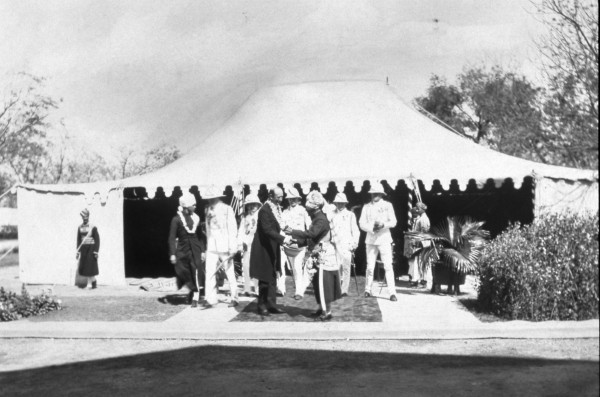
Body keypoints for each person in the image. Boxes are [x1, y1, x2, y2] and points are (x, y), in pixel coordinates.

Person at [286, 190, 341, 321]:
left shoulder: (320, 219)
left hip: (324, 254)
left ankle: (327, 311)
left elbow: (311, 234)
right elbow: (311, 237)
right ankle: (320, 308)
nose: (307, 209)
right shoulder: (317, 217)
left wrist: (292, 231)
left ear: (314, 207)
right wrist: (296, 241)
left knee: (323, 283)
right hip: (318, 253)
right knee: (317, 283)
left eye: (308, 206)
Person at [250, 187, 291, 316]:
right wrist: (283, 239)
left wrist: (290, 231)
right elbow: (267, 230)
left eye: (282, 196)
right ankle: (261, 305)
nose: (281, 199)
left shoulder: (276, 208)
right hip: (263, 247)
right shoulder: (264, 210)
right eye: (278, 197)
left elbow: (279, 225)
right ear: (271, 196)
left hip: (273, 245)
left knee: (273, 275)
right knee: (264, 276)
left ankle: (272, 304)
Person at [358, 182, 398, 301]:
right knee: (370, 266)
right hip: (370, 239)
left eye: (377, 193)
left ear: (381, 194)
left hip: (384, 238)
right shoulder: (366, 206)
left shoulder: (388, 205)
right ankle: (367, 289)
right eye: (372, 193)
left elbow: (394, 221)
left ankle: (392, 292)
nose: (374, 195)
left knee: (388, 266)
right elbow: (361, 223)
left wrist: (383, 225)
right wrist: (371, 228)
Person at [203, 186, 239, 308]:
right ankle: (210, 299)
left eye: (211, 197)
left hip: (225, 245)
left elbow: (233, 228)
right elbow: (208, 229)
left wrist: (233, 246)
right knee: (209, 271)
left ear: (217, 197)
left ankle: (234, 297)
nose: (209, 200)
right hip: (211, 245)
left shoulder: (227, 209)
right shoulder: (207, 209)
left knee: (229, 271)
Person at [168, 192, 206, 307]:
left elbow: (200, 236)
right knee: (182, 271)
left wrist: (203, 250)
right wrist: (173, 253)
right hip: (182, 248)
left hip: (195, 248)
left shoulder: (196, 218)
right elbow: (171, 237)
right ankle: (192, 290)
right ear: (186, 206)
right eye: (193, 205)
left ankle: (195, 296)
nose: (195, 206)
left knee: (196, 270)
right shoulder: (176, 219)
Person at [280, 187, 311, 300]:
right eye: (290, 199)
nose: (292, 201)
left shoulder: (303, 211)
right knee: (292, 267)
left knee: (298, 267)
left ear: (298, 199)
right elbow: (282, 226)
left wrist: (308, 240)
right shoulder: (285, 212)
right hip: (288, 243)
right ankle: (283, 288)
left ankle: (299, 291)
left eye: (294, 199)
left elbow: (309, 226)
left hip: (300, 243)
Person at [330, 193, 360, 297]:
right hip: (335, 244)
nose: (340, 205)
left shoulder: (350, 215)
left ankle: (344, 290)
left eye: (342, 203)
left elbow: (355, 230)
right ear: (336, 203)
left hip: (347, 244)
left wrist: (354, 243)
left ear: (345, 203)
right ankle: (337, 288)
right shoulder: (331, 214)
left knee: (346, 268)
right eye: (338, 203)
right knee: (336, 267)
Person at [237, 193, 262, 297]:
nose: (252, 207)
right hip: (247, 244)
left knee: (257, 267)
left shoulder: (260, 216)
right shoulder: (244, 218)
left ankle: (257, 289)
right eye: (249, 205)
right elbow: (241, 231)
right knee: (246, 266)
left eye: (254, 205)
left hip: (257, 244)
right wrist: (240, 243)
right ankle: (247, 288)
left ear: (258, 205)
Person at [407, 202, 432, 288]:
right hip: (421, 242)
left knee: (421, 261)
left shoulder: (424, 219)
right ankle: (419, 279)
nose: (417, 210)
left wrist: (417, 239)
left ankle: (422, 280)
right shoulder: (421, 218)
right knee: (418, 262)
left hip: (422, 243)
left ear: (421, 209)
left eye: (418, 208)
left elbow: (423, 232)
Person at [76, 208, 100, 289]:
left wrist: (96, 251)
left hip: (91, 249)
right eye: (83, 217)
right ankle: (93, 281)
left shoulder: (93, 227)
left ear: (88, 217)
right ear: (82, 218)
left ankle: (89, 284)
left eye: (86, 217)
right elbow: (79, 240)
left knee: (90, 266)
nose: (85, 218)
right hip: (83, 249)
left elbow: (97, 239)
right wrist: (78, 251)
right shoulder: (80, 227)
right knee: (86, 267)